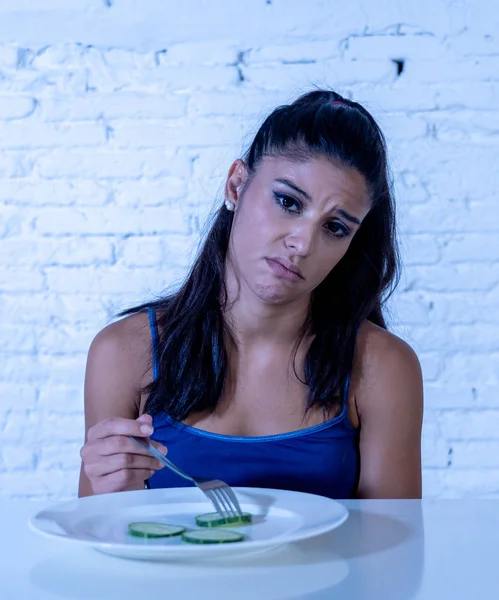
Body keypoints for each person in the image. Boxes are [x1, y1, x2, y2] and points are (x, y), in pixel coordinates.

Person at [79, 89, 423, 500]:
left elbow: (392, 555)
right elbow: (99, 538)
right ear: (236, 185)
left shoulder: (381, 367)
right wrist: (112, 494)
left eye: (335, 228)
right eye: (288, 202)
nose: (302, 243)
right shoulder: (123, 352)